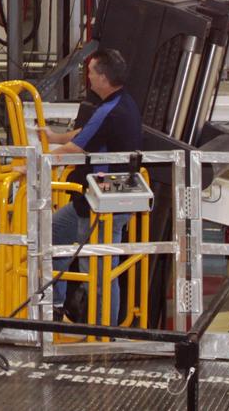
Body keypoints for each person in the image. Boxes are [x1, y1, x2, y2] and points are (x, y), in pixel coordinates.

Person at [41, 48, 142, 325]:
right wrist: (53, 138)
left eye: (91, 73)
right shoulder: (123, 103)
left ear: (104, 78)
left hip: (104, 201)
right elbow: (84, 134)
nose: (88, 78)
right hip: (94, 198)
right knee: (50, 236)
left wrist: (32, 164)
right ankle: (56, 305)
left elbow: (74, 148)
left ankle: (103, 332)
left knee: (98, 270)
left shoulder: (111, 111)